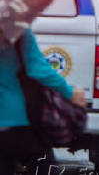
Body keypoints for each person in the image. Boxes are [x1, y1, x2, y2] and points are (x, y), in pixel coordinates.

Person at [0, 29, 86, 175]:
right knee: (44, 165)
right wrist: (70, 92)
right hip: (20, 119)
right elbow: (37, 69)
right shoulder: (18, 29)